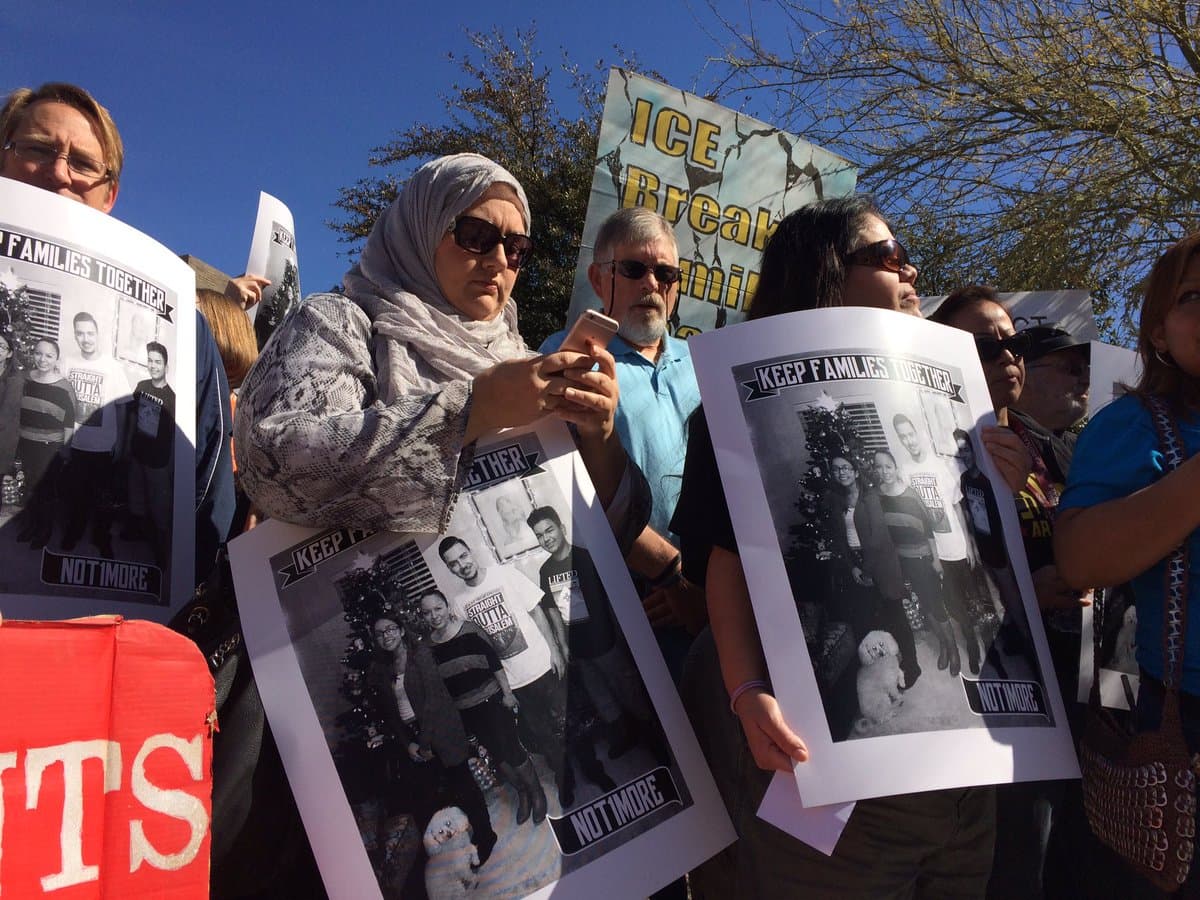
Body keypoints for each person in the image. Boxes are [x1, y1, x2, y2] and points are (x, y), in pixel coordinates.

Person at [671, 197, 1026, 897]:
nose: (910, 268)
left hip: (961, 782)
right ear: (828, 272)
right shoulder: (728, 407)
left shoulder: (960, 408)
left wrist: (1001, 483)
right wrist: (747, 693)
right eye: (888, 256)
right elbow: (726, 565)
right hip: (819, 770)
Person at [0, 80, 234, 585]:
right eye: (37, 149)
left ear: (110, 194)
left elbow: (208, 481)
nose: (59, 173)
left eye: (83, 163)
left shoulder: (181, 327)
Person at [930, 284, 1095, 899]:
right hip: (981, 701)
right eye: (986, 344)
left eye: (1015, 343)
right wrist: (1030, 587)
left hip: (1060, 691)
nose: (1008, 357)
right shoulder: (936, 451)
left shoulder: (1048, 448)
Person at [1055, 230, 1200, 896]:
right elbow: (1081, 558)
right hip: (1181, 729)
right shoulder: (1136, 426)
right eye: (1195, 298)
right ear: (1159, 335)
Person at [540, 207, 705, 679]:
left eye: (666, 273)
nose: (652, 284)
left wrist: (706, 590)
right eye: (634, 269)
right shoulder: (564, 361)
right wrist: (672, 577)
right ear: (598, 276)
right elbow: (572, 488)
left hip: (712, 609)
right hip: (623, 612)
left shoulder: (707, 364)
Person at [436, 535, 572, 800]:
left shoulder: (504, 574)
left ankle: (589, 767)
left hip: (543, 665)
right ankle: (563, 775)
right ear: (449, 568)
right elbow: (475, 650)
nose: (462, 564)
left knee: (568, 720)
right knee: (542, 734)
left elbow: (536, 610)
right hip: (513, 681)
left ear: (471, 552)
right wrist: (502, 688)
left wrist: (555, 650)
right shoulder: (458, 604)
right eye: (453, 563)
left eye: (463, 556)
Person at [527, 504, 662, 762]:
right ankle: (625, 735)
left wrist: (622, 635)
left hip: (605, 640)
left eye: (549, 530)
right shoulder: (545, 572)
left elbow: (610, 598)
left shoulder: (586, 557)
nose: (547, 538)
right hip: (578, 649)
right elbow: (553, 611)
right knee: (601, 697)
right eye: (540, 535)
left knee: (628, 689)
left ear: (561, 528)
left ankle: (654, 737)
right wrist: (564, 645)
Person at [366, 611, 496, 869]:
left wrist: (423, 743)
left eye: (390, 629)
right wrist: (409, 744)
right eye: (380, 633)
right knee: (442, 792)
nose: (386, 635)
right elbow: (391, 714)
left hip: (441, 729)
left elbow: (433, 702)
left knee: (464, 785)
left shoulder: (421, 654)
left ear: (402, 630)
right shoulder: (381, 669)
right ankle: (458, 842)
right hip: (414, 736)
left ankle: (486, 835)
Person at [418, 590, 546, 828]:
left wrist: (507, 694)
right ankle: (522, 793)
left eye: (437, 608)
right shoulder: (428, 647)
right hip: (465, 711)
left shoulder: (470, 629)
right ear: (422, 617)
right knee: (496, 755)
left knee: (511, 749)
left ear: (447, 606)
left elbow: (494, 662)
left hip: (492, 700)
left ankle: (536, 792)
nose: (434, 615)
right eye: (427, 612)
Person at [891, 410, 977, 675]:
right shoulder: (904, 472)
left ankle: (972, 646)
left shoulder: (941, 465)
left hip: (954, 545)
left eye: (911, 434)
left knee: (961, 602)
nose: (909, 441)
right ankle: (950, 645)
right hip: (928, 551)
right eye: (903, 437)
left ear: (919, 433)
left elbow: (958, 507)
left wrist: (970, 544)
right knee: (938, 602)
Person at [853, 449, 938, 689]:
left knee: (897, 618)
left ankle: (911, 665)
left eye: (851, 468)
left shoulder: (870, 497)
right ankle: (898, 662)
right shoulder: (860, 496)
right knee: (889, 617)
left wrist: (867, 571)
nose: (880, 472)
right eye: (877, 467)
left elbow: (877, 540)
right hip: (871, 566)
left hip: (881, 566)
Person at [13, 338, 76, 548]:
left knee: (46, 490)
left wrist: (65, 451)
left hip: (50, 447)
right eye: (39, 353)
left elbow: (69, 422)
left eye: (49, 355)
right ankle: (31, 525)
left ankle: (44, 530)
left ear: (56, 358)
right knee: (29, 486)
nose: (43, 359)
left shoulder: (65, 387)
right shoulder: (25, 380)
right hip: (26, 443)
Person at [123, 341, 175, 566]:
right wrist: (126, 446)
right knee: (136, 497)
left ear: (166, 366)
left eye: (157, 362)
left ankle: (161, 549)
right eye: (150, 361)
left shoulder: (172, 398)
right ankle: (138, 532)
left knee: (159, 506)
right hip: (137, 453)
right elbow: (132, 418)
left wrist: (171, 464)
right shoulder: (141, 386)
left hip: (158, 460)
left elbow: (175, 436)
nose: (153, 366)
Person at [1011, 324, 1090, 437]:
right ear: (1022, 374)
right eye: (1074, 368)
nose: (1086, 381)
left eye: (1087, 369)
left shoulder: (1084, 448)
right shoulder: (983, 443)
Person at [0, 331, 22, 476]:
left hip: (2, 439)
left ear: (9, 354)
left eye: (1, 346)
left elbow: (5, 416)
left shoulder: (15, 379)